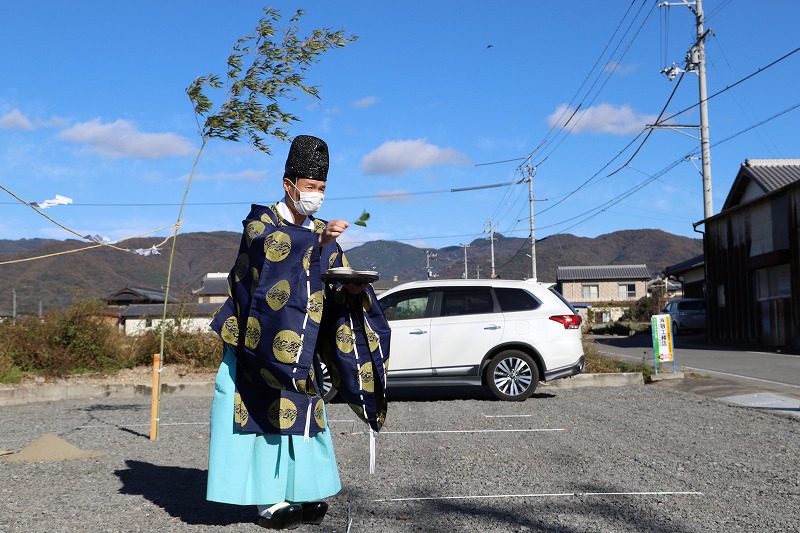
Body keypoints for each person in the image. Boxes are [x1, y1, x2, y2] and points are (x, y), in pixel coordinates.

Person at [206, 135, 390, 530]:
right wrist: (317, 243)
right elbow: (268, 254)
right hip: (254, 342)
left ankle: (303, 491)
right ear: (288, 184)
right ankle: (267, 499)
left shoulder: (324, 230)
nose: (316, 196)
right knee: (259, 418)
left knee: (304, 416)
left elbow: (334, 277)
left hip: (300, 346)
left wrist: (352, 289)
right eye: (310, 187)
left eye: (322, 189)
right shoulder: (260, 222)